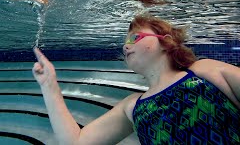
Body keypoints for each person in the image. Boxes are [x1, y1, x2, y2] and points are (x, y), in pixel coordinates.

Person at [32, 14, 240, 144]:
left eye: (135, 38)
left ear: (166, 43)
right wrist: (49, 85)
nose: (125, 46)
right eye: (125, 42)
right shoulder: (133, 106)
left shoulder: (203, 72)